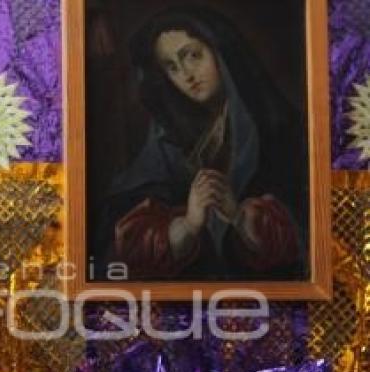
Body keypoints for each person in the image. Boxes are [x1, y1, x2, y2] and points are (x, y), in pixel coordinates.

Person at [95, 6, 307, 281]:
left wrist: (240, 217)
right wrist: (186, 225)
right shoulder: (168, 138)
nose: (186, 75)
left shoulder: (277, 128)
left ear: (222, 52)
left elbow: (306, 233)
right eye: (171, 66)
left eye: (193, 56)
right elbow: (118, 237)